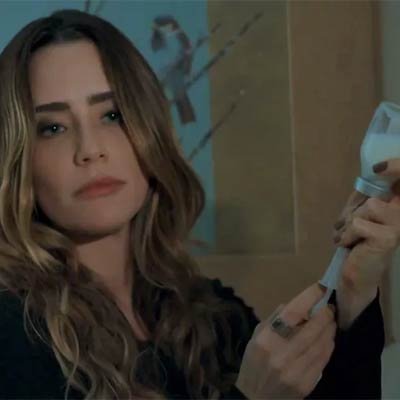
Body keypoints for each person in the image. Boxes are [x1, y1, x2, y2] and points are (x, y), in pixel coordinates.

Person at [0, 8, 397, 399]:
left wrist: (352, 289)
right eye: (52, 127)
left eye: (113, 115)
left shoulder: (212, 314)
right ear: (18, 157)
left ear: (150, 127)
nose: (90, 150)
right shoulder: (13, 332)